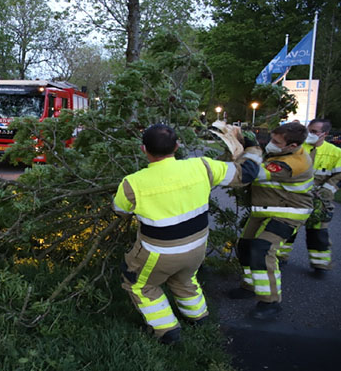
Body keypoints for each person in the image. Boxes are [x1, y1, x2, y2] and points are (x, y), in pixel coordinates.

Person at [113, 124, 262, 344]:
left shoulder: (132, 183)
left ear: (143, 149)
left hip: (158, 253)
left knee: (138, 284)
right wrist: (252, 147)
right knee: (184, 278)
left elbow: (120, 209)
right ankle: (198, 317)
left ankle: (167, 331)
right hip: (196, 248)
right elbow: (246, 174)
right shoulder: (202, 166)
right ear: (177, 146)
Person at [230, 122, 313, 319]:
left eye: (276, 142)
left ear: (292, 146)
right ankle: (249, 285)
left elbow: (252, 174)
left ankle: (270, 302)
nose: (271, 144)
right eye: (271, 139)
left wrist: (250, 149)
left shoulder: (293, 163)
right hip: (265, 210)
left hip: (288, 213)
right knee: (245, 246)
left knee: (262, 249)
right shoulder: (281, 153)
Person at [278, 119, 341, 275]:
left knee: (318, 234)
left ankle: (320, 265)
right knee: (288, 228)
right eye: (308, 130)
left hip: (320, 200)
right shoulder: (298, 148)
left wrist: (327, 190)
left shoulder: (336, 153)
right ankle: (280, 257)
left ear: (324, 134)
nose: (309, 134)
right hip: (296, 198)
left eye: (314, 132)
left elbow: (338, 175)